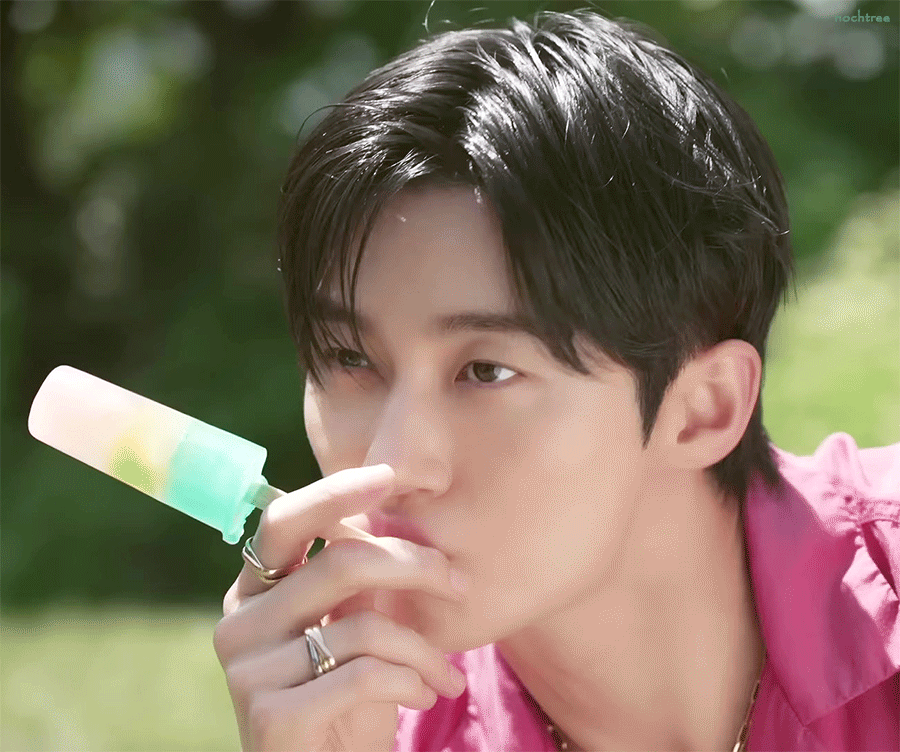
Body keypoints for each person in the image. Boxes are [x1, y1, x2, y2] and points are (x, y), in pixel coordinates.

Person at [213, 8, 900, 751]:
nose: (390, 464)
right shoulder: (379, 726)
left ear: (705, 408)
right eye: (350, 358)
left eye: (485, 370)